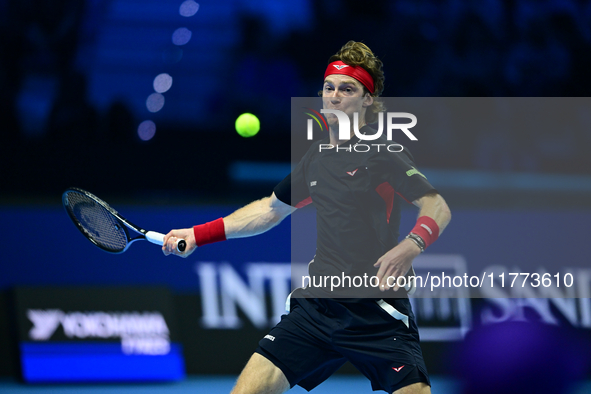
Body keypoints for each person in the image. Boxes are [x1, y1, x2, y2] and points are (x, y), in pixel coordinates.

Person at [162, 41, 451, 394]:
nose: (334, 96)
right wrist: (197, 234)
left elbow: (436, 205)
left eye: (347, 89)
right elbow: (269, 209)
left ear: (367, 100)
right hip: (316, 309)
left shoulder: (384, 153)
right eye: (329, 87)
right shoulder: (316, 158)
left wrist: (412, 244)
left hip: (376, 313)